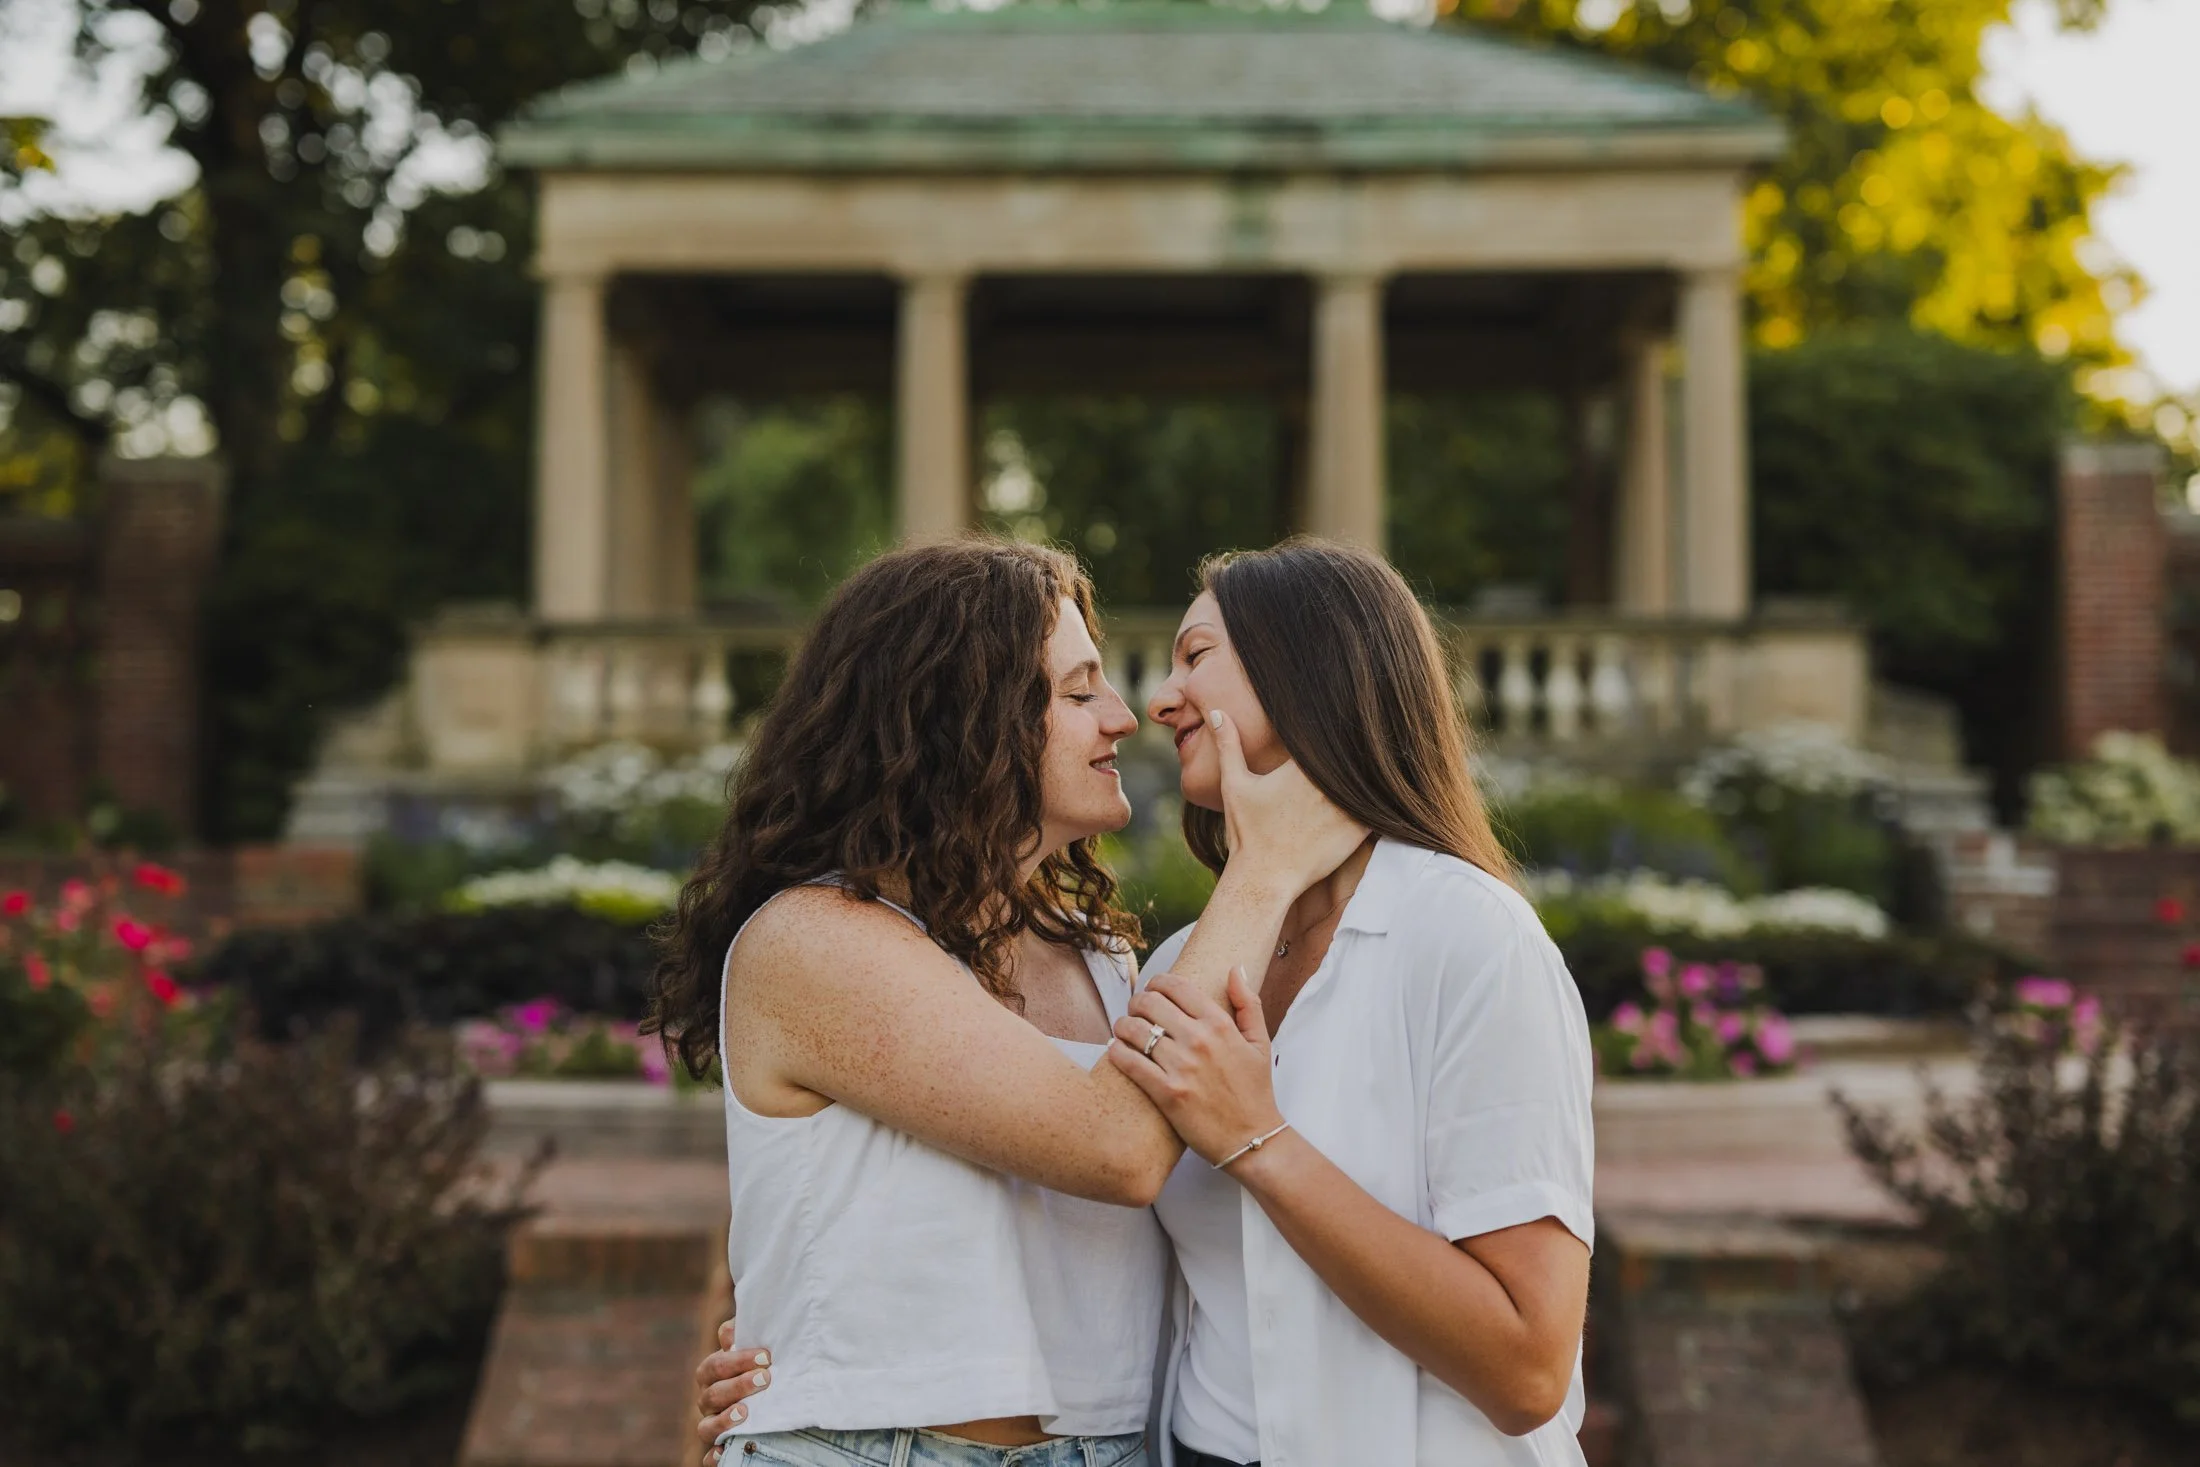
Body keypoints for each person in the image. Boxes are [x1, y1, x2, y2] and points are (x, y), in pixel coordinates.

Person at [697, 538, 1598, 1467]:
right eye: (1081, 690)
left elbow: (1168, 1240)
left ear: (1311, 678)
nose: (1136, 712)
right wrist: (791, 1379)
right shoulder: (816, 938)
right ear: (957, 712)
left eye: (1190, 661)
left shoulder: (1120, 964)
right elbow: (1119, 1150)